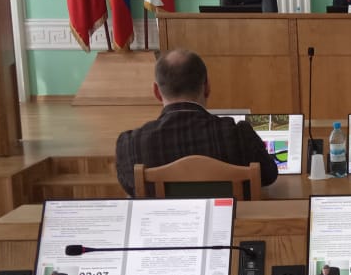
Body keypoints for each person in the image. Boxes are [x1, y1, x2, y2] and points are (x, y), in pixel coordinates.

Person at [115, 49, 279, 197]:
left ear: (156, 92)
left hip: (164, 222)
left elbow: (131, 188)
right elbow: (269, 176)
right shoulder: (240, 135)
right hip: (229, 222)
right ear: (207, 87)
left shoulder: (130, 144)